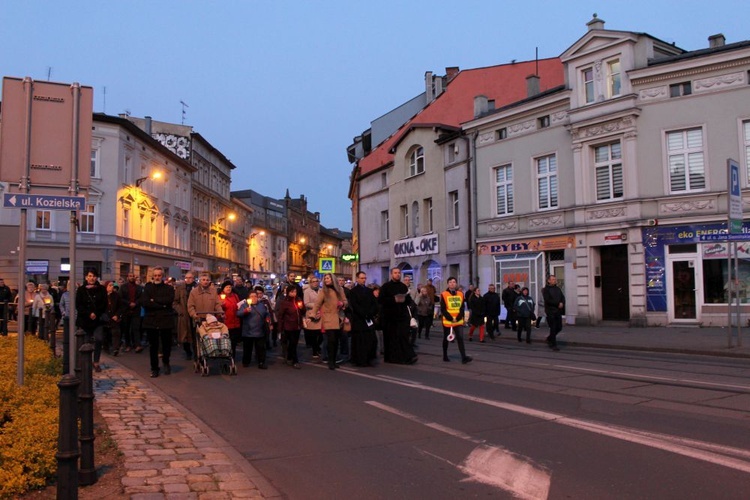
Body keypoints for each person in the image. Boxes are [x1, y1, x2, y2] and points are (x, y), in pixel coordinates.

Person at [140, 267, 176, 377]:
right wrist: (161, 304)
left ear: (163, 276)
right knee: (153, 346)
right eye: (155, 275)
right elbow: (145, 302)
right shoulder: (148, 288)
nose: (157, 277)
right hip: (151, 320)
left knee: (166, 344)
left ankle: (166, 362)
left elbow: (168, 301)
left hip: (165, 319)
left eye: (159, 275)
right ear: (153, 276)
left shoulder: (168, 288)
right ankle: (154, 368)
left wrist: (154, 300)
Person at [378, 268, 418, 365]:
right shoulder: (386, 286)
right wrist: (393, 299)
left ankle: (407, 356)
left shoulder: (403, 286)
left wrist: (406, 300)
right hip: (390, 317)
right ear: (391, 274)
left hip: (402, 316)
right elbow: (381, 300)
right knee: (391, 338)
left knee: (403, 336)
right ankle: (392, 358)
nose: (397, 275)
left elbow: (409, 300)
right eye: (395, 273)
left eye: (399, 273)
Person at [311, 273, 348, 370]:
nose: (326, 280)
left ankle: (334, 360)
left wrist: (343, 303)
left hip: (338, 318)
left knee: (336, 341)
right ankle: (330, 361)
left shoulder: (340, 289)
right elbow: (317, 304)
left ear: (332, 279)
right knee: (331, 340)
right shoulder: (323, 291)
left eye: (328, 278)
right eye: (325, 278)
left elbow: (345, 301)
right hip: (328, 317)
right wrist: (312, 315)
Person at [75, 269, 108, 373]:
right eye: (90, 276)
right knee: (86, 341)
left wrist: (96, 313)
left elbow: (104, 303)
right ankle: (86, 362)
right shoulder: (81, 290)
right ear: (86, 277)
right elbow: (78, 305)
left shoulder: (102, 289)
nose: (92, 278)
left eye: (93, 276)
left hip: (97, 319)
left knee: (98, 339)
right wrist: (89, 313)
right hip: (85, 319)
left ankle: (96, 361)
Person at [348, 271, 378, 367]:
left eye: (364, 278)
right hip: (359, 320)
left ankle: (369, 358)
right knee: (360, 341)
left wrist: (371, 313)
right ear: (357, 279)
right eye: (361, 278)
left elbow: (374, 304)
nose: (363, 280)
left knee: (371, 339)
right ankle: (359, 359)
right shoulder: (353, 291)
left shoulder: (369, 291)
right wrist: (363, 314)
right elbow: (354, 305)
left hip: (369, 320)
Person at [440, 277, 472, 364]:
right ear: (448, 284)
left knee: (460, 338)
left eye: (454, 282)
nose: (452, 284)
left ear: (456, 284)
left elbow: (462, 308)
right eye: (450, 282)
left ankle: (464, 357)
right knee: (446, 338)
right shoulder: (444, 294)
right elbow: (443, 309)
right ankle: (445, 355)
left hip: (458, 321)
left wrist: (458, 317)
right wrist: (450, 318)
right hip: (448, 321)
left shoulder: (460, 294)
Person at [237, 288, 270, 369]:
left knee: (260, 348)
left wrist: (268, 319)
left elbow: (266, 313)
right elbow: (238, 314)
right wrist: (245, 311)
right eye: (252, 296)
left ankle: (261, 362)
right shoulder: (244, 305)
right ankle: (246, 361)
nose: (254, 298)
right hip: (248, 330)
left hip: (259, 330)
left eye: (255, 296)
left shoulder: (261, 305)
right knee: (247, 348)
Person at [277, 284, 304, 368]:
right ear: (288, 292)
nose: (294, 293)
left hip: (298, 326)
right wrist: (280, 328)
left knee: (294, 343)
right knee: (292, 343)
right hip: (289, 326)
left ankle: (289, 356)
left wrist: (301, 307)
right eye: (292, 292)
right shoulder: (285, 302)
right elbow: (281, 315)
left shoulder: (298, 300)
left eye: (295, 291)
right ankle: (295, 361)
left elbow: (303, 311)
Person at [173, 272, 197, 359]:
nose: (188, 279)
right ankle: (188, 352)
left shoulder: (197, 288)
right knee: (185, 335)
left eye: (190, 278)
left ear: (193, 278)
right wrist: (180, 310)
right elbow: (175, 302)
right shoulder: (180, 288)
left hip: (195, 314)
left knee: (195, 335)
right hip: (184, 315)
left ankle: (196, 353)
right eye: (186, 278)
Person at [120, 272, 144, 352]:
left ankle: (137, 345)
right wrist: (129, 303)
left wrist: (135, 303)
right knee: (126, 328)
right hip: (126, 310)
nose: (132, 277)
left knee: (136, 328)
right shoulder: (123, 287)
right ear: (127, 277)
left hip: (136, 310)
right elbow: (121, 298)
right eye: (130, 276)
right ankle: (128, 345)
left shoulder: (139, 288)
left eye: (133, 276)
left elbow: (141, 298)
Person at [541, 275, 565, 351]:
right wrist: (557, 304)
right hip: (550, 311)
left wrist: (562, 302)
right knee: (553, 327)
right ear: (549, 281)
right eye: (553, 279)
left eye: (555, 279)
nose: (554, 280)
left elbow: (562, 297)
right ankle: (553, 344)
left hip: (558, 311)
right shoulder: (546, 290)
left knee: (559, 327)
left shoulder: (557, 288)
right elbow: (548, 300)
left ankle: (549, 338)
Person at [219, 280, 242, 360]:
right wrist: (221, 306)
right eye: (226, 287)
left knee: (233, 342)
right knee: (226, 341)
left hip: (235, 322)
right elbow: (218, 310)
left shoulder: (235, 296)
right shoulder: (220, 297)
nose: (228, 288)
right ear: (223, 289)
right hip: (226, 322)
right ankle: (225, 358)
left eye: (230, 287)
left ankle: (232, 357)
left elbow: (238, 306)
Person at [303, 275, 323, 359]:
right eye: (313, 281)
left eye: (316, 281)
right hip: (312, 313)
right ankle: (315, 350)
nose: (315, 283)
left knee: (321, 334)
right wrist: (317, 305)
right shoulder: (307, 291)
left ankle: (318, 347)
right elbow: (306, 303)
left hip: (321, 314)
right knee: (314, 335)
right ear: (310, 283)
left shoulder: (321, 290)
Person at [104, 281, 124, 356]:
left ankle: (116, 348)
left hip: (114, 317)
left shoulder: (116, 295)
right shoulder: (103, 296)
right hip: (105, 318)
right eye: (110, 285)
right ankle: (106, 347)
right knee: (106, 334)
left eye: (112, 285)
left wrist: (117, 315)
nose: (111, 287)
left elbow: (120, 307)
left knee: (116, 332)